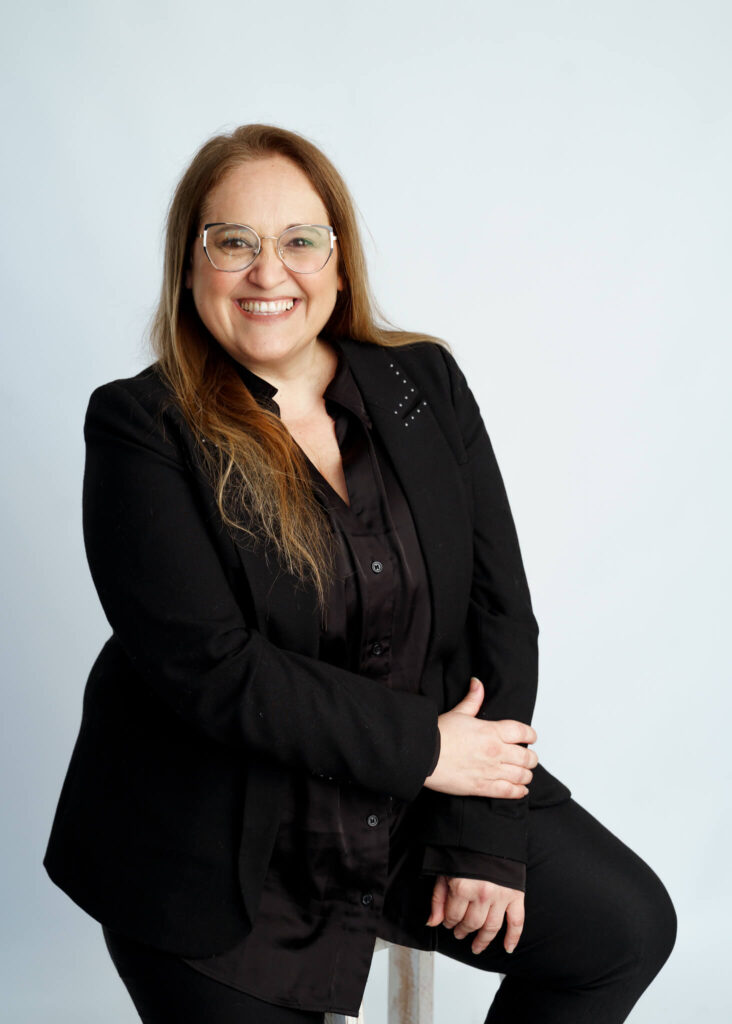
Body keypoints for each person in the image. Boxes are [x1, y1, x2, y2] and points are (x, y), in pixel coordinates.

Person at [43, 124, 676, 1023]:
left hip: (414, 804)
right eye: (234, 242)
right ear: (189, 266)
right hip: (219, 843)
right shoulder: (140, 426)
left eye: (301, 240)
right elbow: (213, 671)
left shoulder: (425, 384)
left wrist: (481, 829)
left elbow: (499, 614)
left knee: (623, 930)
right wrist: (431, 750)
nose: (269, 272)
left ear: (339, 264)